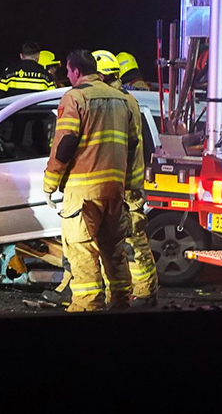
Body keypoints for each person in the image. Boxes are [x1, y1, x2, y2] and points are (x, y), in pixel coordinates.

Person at [43, 50, 141, 312]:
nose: (67, 76)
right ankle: (120, 302)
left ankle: (88, 307)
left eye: (68, 71)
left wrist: (50, 183)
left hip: (83, 192)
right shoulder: (122, 99)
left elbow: (66, 142)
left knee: (82, 250)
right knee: (114, 249)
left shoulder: (75, 97)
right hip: (114, 190)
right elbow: (133, 144)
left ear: (75, 71)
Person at [94, 49, 159, 305]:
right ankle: (130, 293)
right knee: (123, 240)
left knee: (132, 240)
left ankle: (143, 293)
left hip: (124, 184)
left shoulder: (117, 101)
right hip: (123, 181)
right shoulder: (124, 99)